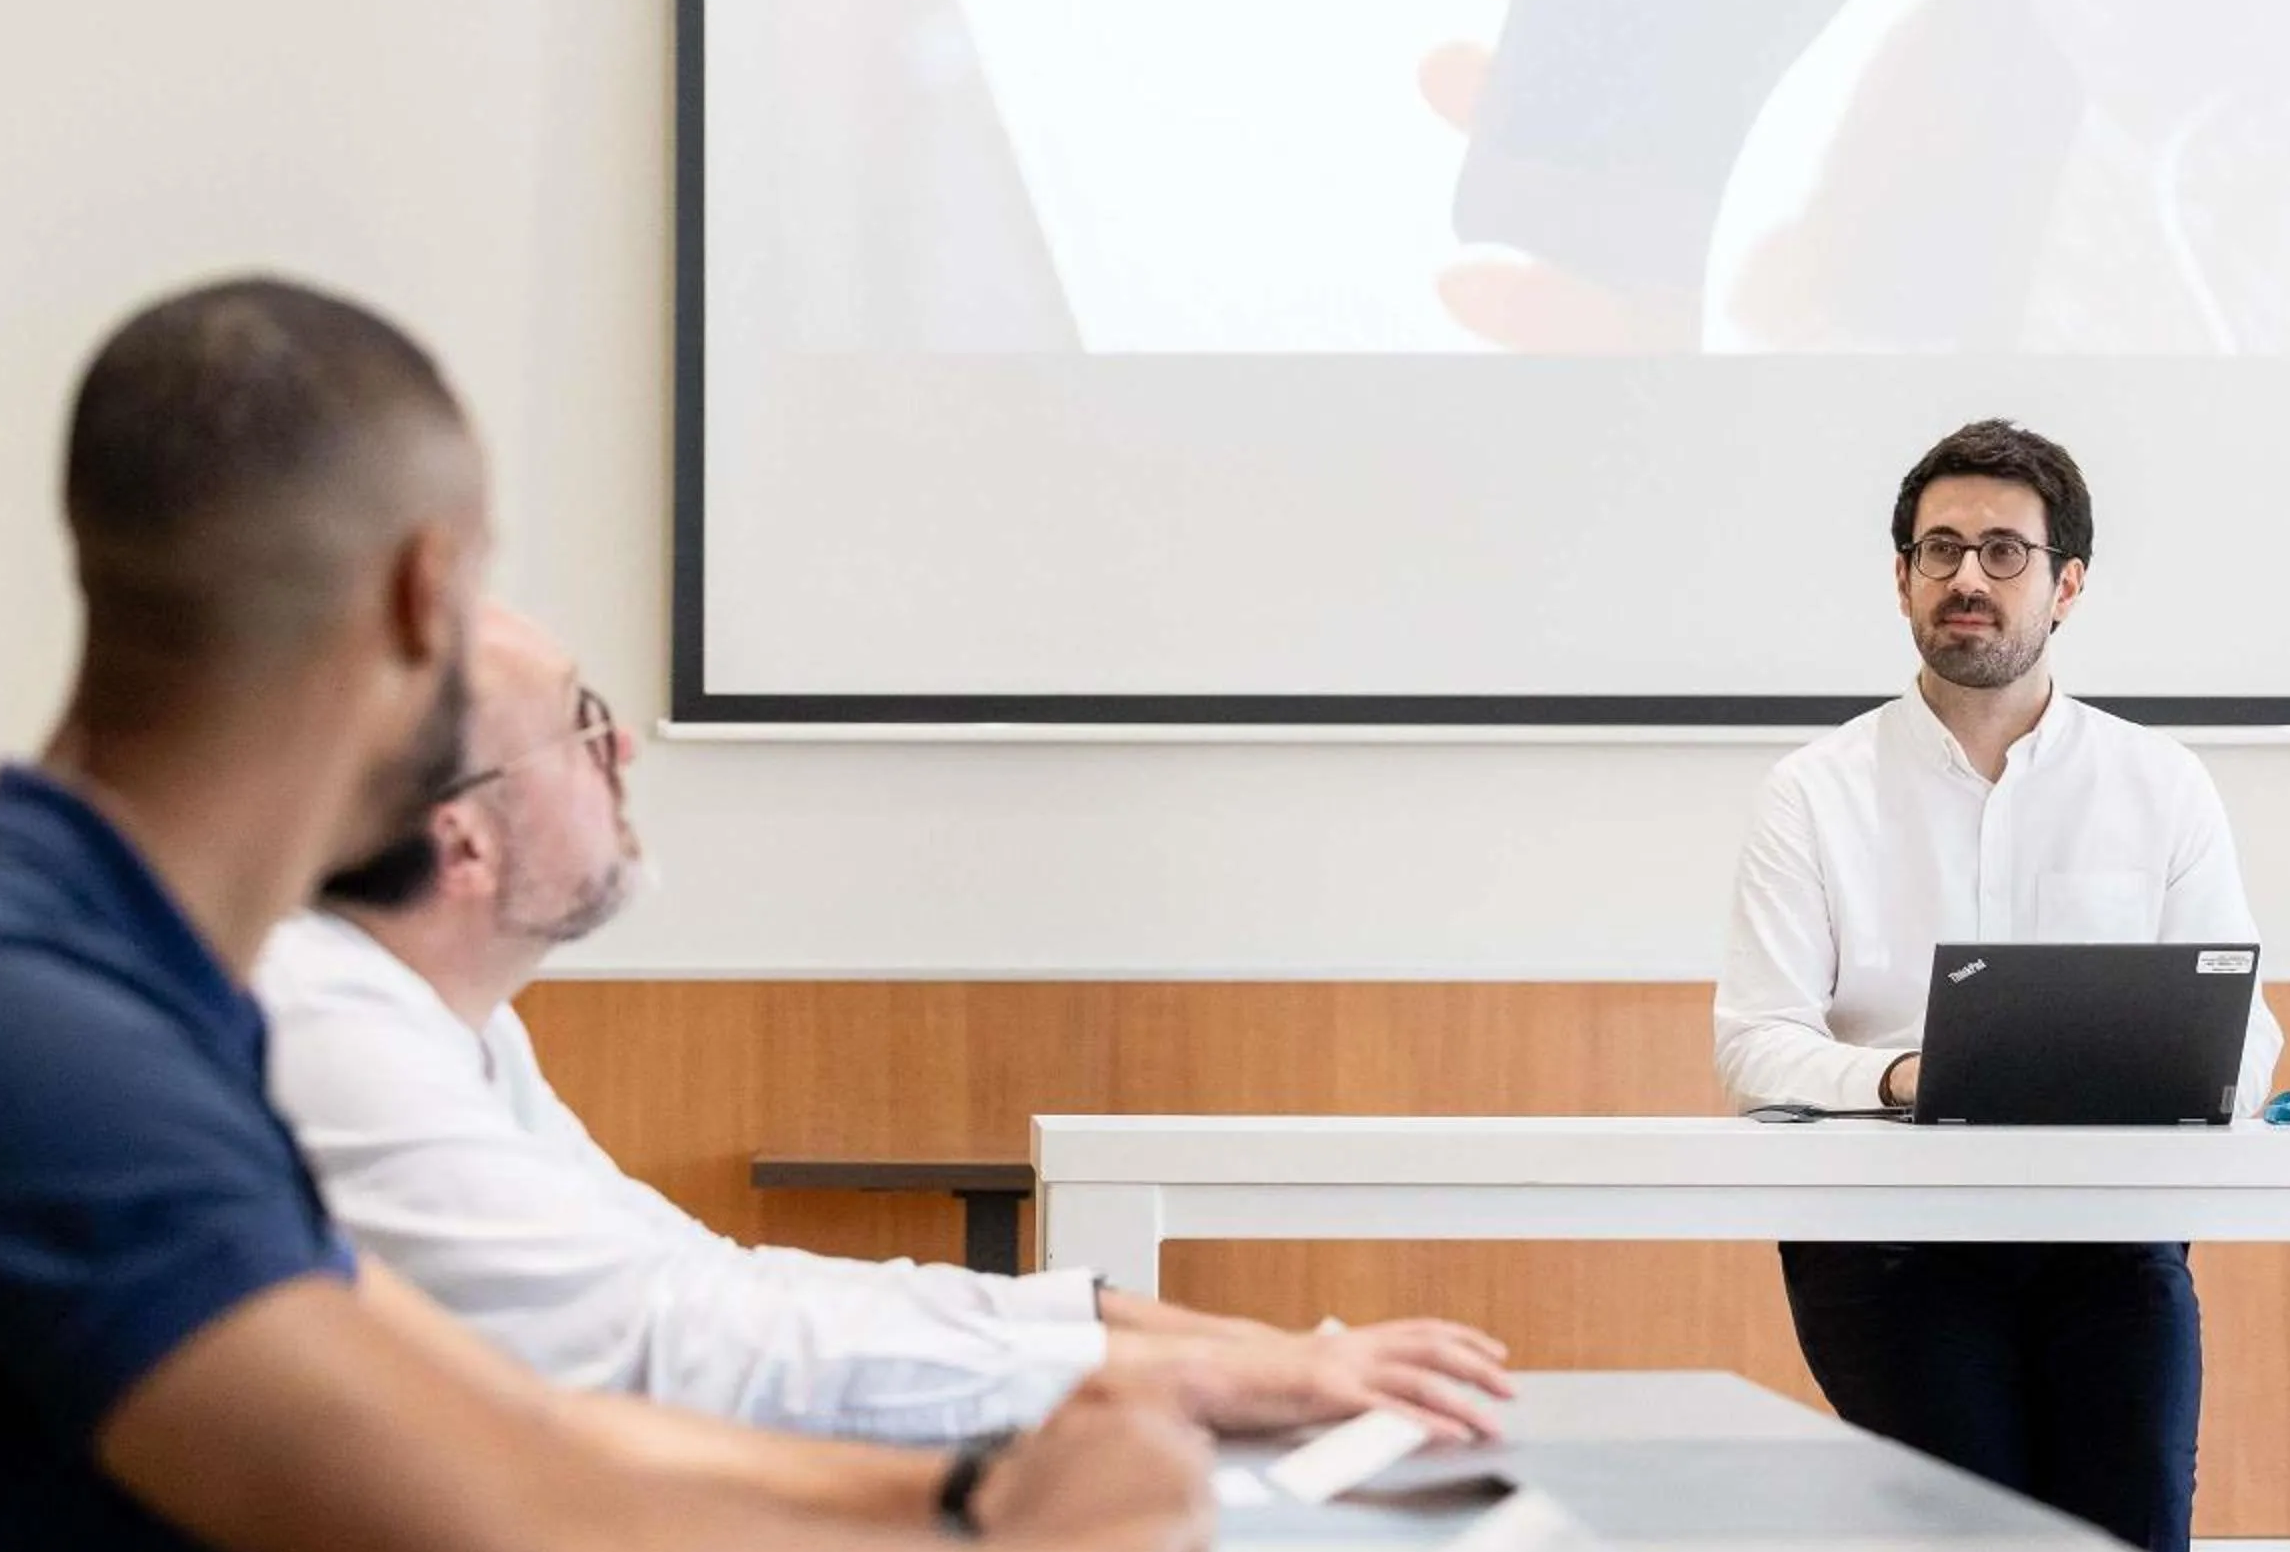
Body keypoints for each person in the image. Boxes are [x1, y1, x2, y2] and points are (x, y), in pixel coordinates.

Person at [0, 277, 1211, 1552]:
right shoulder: (9, 1038)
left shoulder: (124, 994)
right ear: (425, 595)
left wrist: (972, 1484)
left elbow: (515, 1427)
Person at [260, 601, 1517, 1446]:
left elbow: (704, 1284)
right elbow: (682, 1349)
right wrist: (1183, 1379)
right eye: (584, 730)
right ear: (464, 838)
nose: (624, 758)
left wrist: (1144, 1329)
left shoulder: (457, 1028)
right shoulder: (330, 1028)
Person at [1711, 418, 2283, 1552]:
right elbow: (1756, 1046)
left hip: (2108, 1239)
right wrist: (1907, 1076)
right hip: (1888, 1244)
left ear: (2066, 585)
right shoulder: (1811, 794)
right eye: (1941, 550)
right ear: (1902, 577)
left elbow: (2247, 1041)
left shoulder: (2160, 786)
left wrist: (2172, 1076)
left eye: (2005, 552)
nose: (1968, 577)